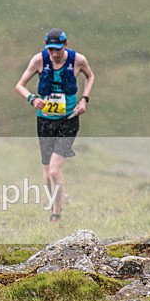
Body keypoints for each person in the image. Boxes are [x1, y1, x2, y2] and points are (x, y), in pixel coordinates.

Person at [15, 29, 95, 222]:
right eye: (50, 49)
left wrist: (84, 99)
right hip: (44, 121)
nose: (54, 53)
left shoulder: (78, 60)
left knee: (53, 171)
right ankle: (53, 204)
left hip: (68, 120)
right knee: (45, 172)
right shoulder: (38, 61)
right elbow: (20, 85)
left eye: (57, 49)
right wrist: (32, 99)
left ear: (65, 44)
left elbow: (90, 76)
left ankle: (56, 214)